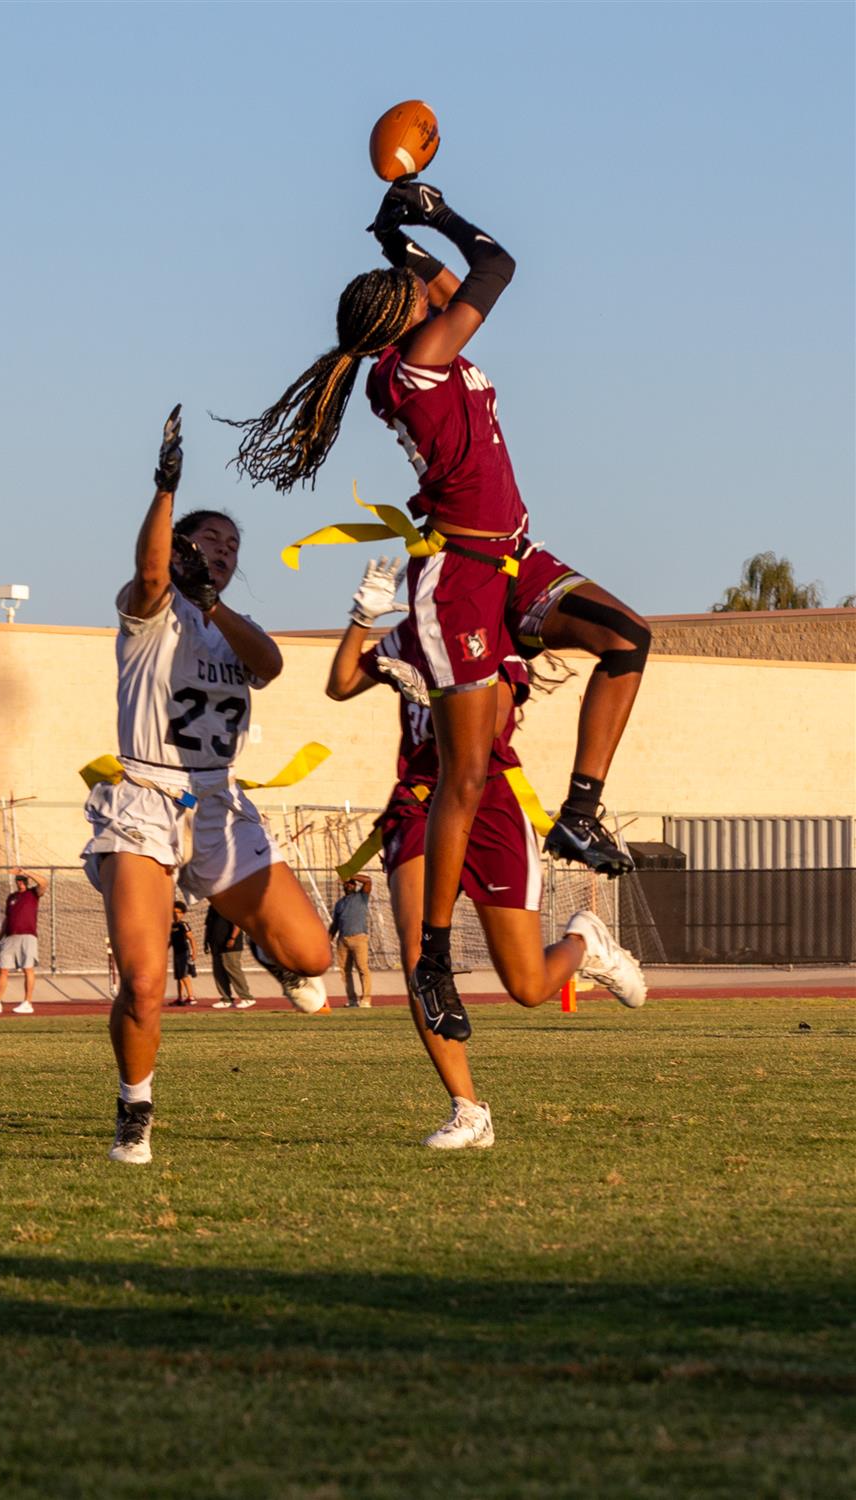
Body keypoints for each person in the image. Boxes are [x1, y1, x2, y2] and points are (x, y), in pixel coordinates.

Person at [224, 179, 649, 1035]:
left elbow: (449, 282)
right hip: (460, 577)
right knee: (463, 775)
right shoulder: (416, 367)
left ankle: (579, 810)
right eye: (424, 294)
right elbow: (494, 266)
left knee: (627, 639)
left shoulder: (413, 355)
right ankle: (431, 960)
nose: (438, 289)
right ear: (407, 321)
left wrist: (397, 235)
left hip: (516, 557)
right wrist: (438, 208)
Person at [81, 406, 331, 1165]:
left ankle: (265, 946)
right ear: (184, 545)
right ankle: (135, 1108)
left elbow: (275, 666)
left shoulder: (231, 620)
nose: (222, 549)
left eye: (233, 544)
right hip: (146, 799)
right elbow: (153, 572)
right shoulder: (151, 612)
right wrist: (165, 489)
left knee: (315, 958)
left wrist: (215, 597)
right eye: (209, 538)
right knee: (147, 982)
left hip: (218, 801)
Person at [327, 559, 647, 1148]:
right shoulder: (407, 635)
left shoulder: (487, 631)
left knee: (527, 985)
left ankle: (584, 942)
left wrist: (443, 689)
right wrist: (363, 617)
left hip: (489, 800)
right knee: (418, 949)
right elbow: (340, 683)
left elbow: (493, 720)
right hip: (422, 801)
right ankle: (468, 1108)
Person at [0, 868, 47, 1015]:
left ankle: (27, 1002)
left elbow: (44, 882)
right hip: (10, 936)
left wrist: (26, 872)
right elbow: (7, 919)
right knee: (3, 969)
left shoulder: (33, 894)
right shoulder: (12, 897)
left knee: (28, 968)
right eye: (18, 881)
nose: (21, 883)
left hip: (28, 936)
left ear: (27, 882)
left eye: (23, 881)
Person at [328, 875, 373, 1007]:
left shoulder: (361, 897)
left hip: (359, 938)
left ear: (355, 885)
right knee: (345, 971)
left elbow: (368, 881)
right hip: (343, 940)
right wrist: (328, 940)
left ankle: (366, 999)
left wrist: (351, 875)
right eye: (346, 883)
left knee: (362, 968)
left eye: (351, 883)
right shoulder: (340, 903)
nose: (349, 885)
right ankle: (352, 1000)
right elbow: (335, 924)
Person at [203, 902, 255, 1010]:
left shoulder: (231, 904)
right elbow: (208, 926)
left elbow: (238, 923)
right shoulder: (212, 907)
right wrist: (206, 942)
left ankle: (247, 998)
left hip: (230, 945)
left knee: (233, 970)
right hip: (215, 945)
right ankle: (226, 999)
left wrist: (232, 938)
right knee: (219, 972)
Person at [168, 900, 197, 1005]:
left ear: (183, 913)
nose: (176, 914)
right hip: (176, 954)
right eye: (174, 912)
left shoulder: (183, 925)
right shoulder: (171, 926)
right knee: (179, 977)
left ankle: (191, 996)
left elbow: (191, 939)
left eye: (179, 912)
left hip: (184, 953)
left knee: (184, 975)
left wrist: (194, 952)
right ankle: (180, 998)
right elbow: (172, 940)